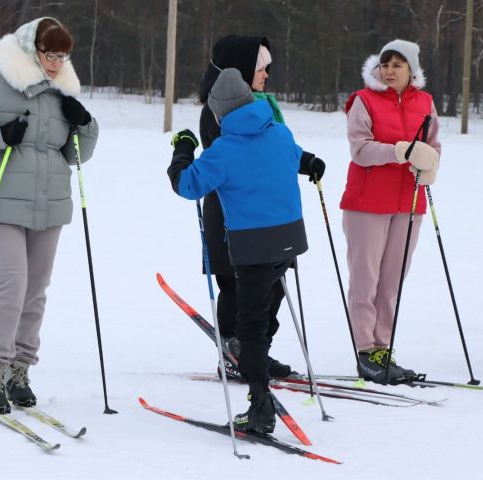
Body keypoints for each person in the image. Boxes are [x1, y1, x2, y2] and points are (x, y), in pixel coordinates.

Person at [0, 17, 99, 413]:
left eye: (64, 55)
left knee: (35, 291)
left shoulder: (62, 90)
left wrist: (85, 124)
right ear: (32, 48)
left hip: (49, 205)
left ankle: (20, 368)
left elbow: (75, 153)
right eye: (51, 54)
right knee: (12, 285)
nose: (56, 62)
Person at [168, 68, 325, 434]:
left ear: (220, 113)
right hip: (289, 241)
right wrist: (310, 163)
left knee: (249, 327)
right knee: (264, 311)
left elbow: (188, 185)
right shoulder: (279, 131)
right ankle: (262, 369)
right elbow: (295, 155)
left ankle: (259, 405)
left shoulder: (224, 149)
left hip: (253, 246)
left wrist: (183, 149)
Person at [197, 34, 321, 380]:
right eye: (261, 67)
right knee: (237, 287)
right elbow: (238, 157)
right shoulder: (219, 110)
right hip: (232, 214)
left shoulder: (262, 107)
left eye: (267, 67)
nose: (267, 74)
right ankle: (235, 353)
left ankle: (256, 351)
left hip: (269, 217)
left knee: (272, 287)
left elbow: (274, 150)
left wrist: (304, 160)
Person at [340, 39, 441, 385]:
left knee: (392, 281)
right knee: (365, 280)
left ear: (412, 70)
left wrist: (429, 167)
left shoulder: (425, 103)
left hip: (410, 204)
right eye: (386, 64)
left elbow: (433, 147)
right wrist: (400, 151)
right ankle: (366, 351)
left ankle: (384, 347)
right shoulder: (363, 101)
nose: (390, 70)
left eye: (398, 65)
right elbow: (360, 150)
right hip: (367, 204)